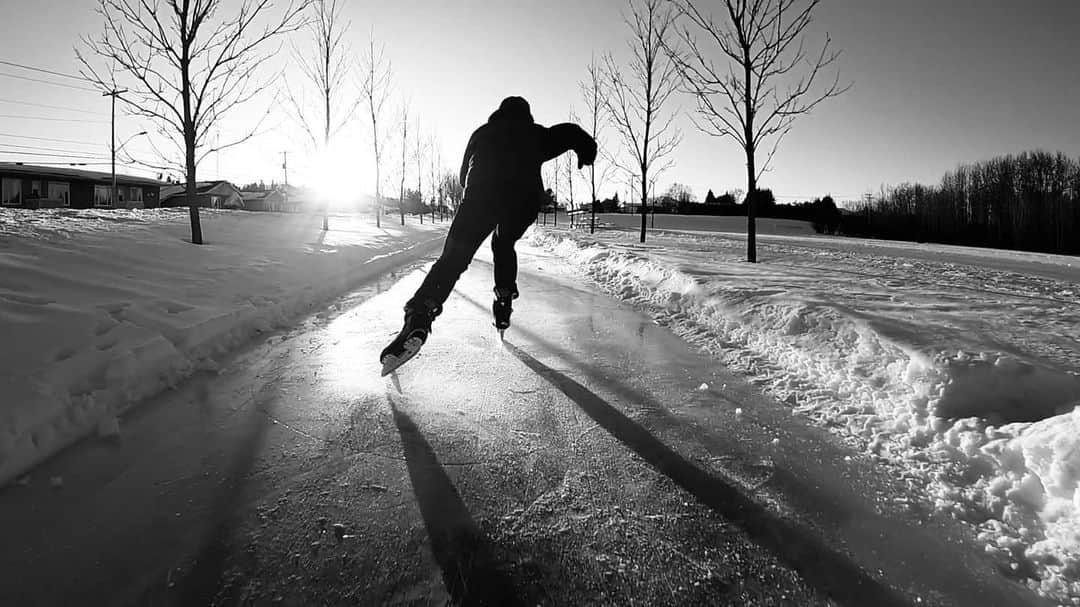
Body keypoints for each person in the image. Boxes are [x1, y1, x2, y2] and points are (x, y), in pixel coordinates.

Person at [380, 96, 597, 375]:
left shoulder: (481, 133)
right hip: (523, 203)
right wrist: (586, 152)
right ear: (526, 115)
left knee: (453, 261)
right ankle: (504, 295)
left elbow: (461, 177)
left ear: (499, 113)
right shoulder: (536, 134)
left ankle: (420, 314)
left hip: (481, 199)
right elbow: (570, 132)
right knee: (503, 243)